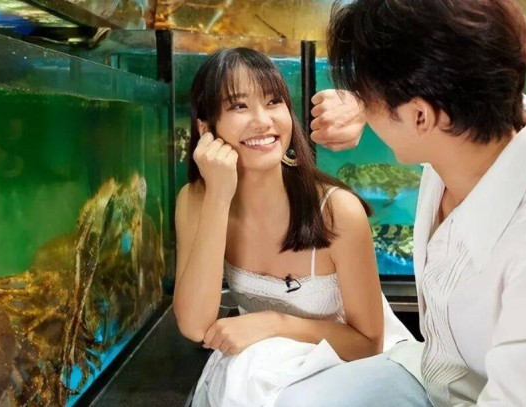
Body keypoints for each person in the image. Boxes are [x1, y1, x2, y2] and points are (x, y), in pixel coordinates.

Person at [302, 0, 526, 405]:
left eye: (369, 97)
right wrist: (364, 106)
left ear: (420, 116)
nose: (364, 106)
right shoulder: (472, 128)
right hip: (436, 381)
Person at [172, 47, 430, 407]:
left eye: (273, 102)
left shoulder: (337, 211)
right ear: (205, 128)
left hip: (355, 373)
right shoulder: (196, 200)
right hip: (266, 372)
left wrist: (272, 324)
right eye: (239, 106)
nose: (263, 120)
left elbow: (367, 344)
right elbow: (195, 325)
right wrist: (219, 195)